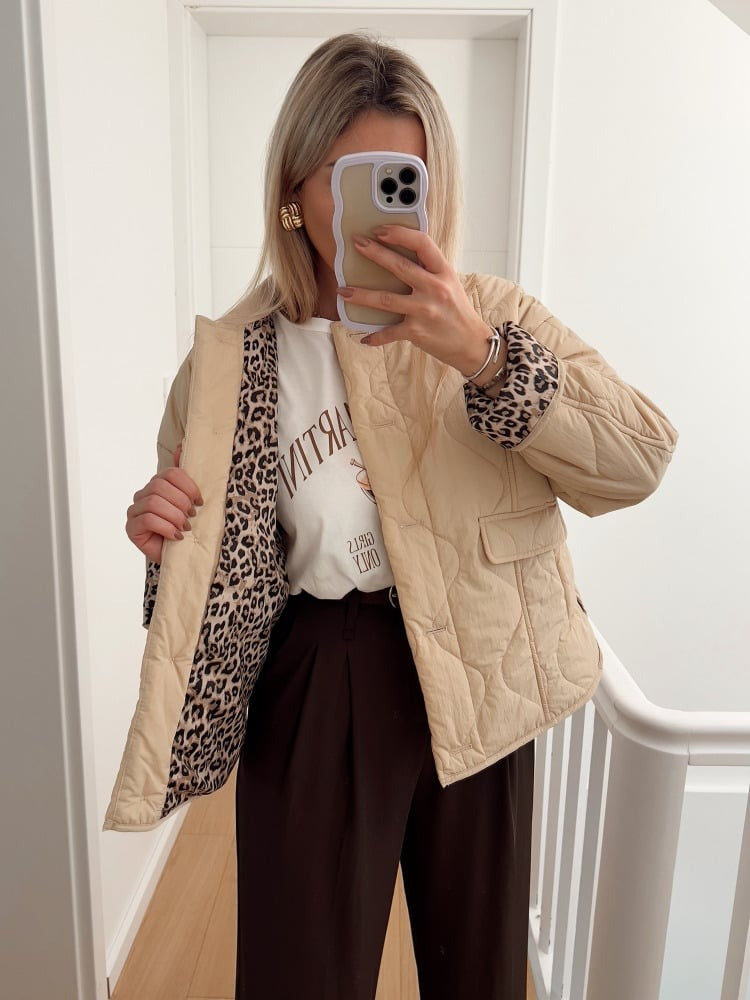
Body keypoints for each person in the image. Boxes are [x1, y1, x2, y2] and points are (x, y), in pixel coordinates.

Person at [120, 30, 679, 1000]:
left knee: (479, 969)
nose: (375, 210)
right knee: (300, 972)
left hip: (482, 660)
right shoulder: (230, 363)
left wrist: (484, 355)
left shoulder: (492, 317)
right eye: (348, 178)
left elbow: (638, 460)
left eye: (402, 180)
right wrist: (162, 539)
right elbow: (199, 587)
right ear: (295, 190)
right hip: (318, 672)